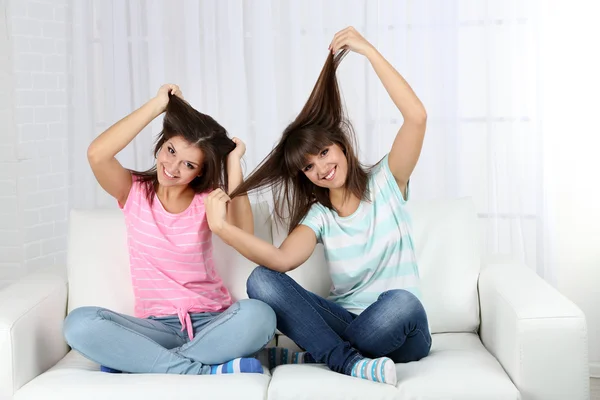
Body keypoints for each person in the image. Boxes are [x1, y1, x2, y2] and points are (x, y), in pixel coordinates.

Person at [204, 27, 431, 385]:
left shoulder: (388, 179)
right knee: (262, 279)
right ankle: (347, 360)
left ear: (342, 145)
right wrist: (222, 228)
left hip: (402, 329)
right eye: (309, 166)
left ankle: (318, 353)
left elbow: (416, 117)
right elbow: (279, 262)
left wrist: (368, 51)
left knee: (400, 302)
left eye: (324, 153)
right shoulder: (320, 216)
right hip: (349, 322)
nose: (322, 168)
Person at [63, 84, 276, 375]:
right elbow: (97, 154)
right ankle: (200, 369)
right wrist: (157, 106)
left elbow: (245, 235)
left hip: (213, 324)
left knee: (260, 315)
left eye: (188, 164)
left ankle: (149, 362)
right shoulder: (133, 191)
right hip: (156, 328)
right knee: (79, 324)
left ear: (199, 171)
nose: (172, 167)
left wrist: (233, 164)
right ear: (161, 143)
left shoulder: (207, 199)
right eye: (170, 150)